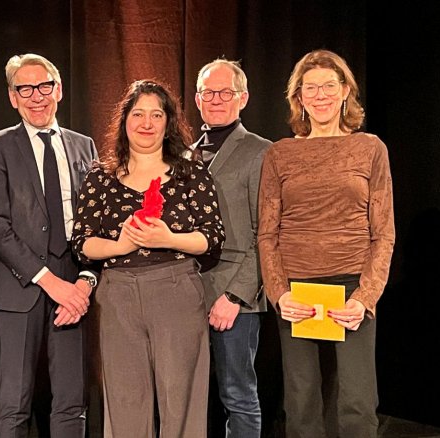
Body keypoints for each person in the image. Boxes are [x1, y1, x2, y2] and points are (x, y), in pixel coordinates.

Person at [72, 79, 224, 437]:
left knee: (180, 400)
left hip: (176, 288)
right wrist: (121, 245)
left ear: (168, 122)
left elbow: (211, 237)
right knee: (125, 400)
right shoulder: (101, 176)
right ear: (124, 120)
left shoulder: (191, 171)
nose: (147, 122)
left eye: (157, 114)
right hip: (118, 293)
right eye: (138, 113)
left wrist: (168, 238)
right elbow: (83, 242)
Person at [257, 49, 395, 438]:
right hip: (297, 290)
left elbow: (383, 232)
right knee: (300, 403)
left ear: (345, 91)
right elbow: (267, 233)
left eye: (329, 86)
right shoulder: (280, 153)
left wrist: (365, 298)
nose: (320, 95)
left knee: (357, 402)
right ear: (298, 97)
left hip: (352, 284)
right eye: (310, 88)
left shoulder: (370, 149)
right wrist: (279, 294)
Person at [0, 53, 97, 438]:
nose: (36, 97)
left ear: (58, 90)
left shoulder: (84, 146)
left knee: (71, 400)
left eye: (44, 86)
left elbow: (98, 222)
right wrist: (49, 281)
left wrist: (83, 282)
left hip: (74, 286)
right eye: (25, 89)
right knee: (14, 401)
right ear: (13, 97)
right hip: (20, 286)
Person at [190, 59, 270, 438]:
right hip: (184, 293)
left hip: (234, 296)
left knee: (237, 393)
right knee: (187, 396)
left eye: (225, 92)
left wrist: (235, 296)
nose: (216, 99)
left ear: (243, 98)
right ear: (197, 98)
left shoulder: (262, 152)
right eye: (209, 92)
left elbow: (268, 234)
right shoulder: (183, 155)